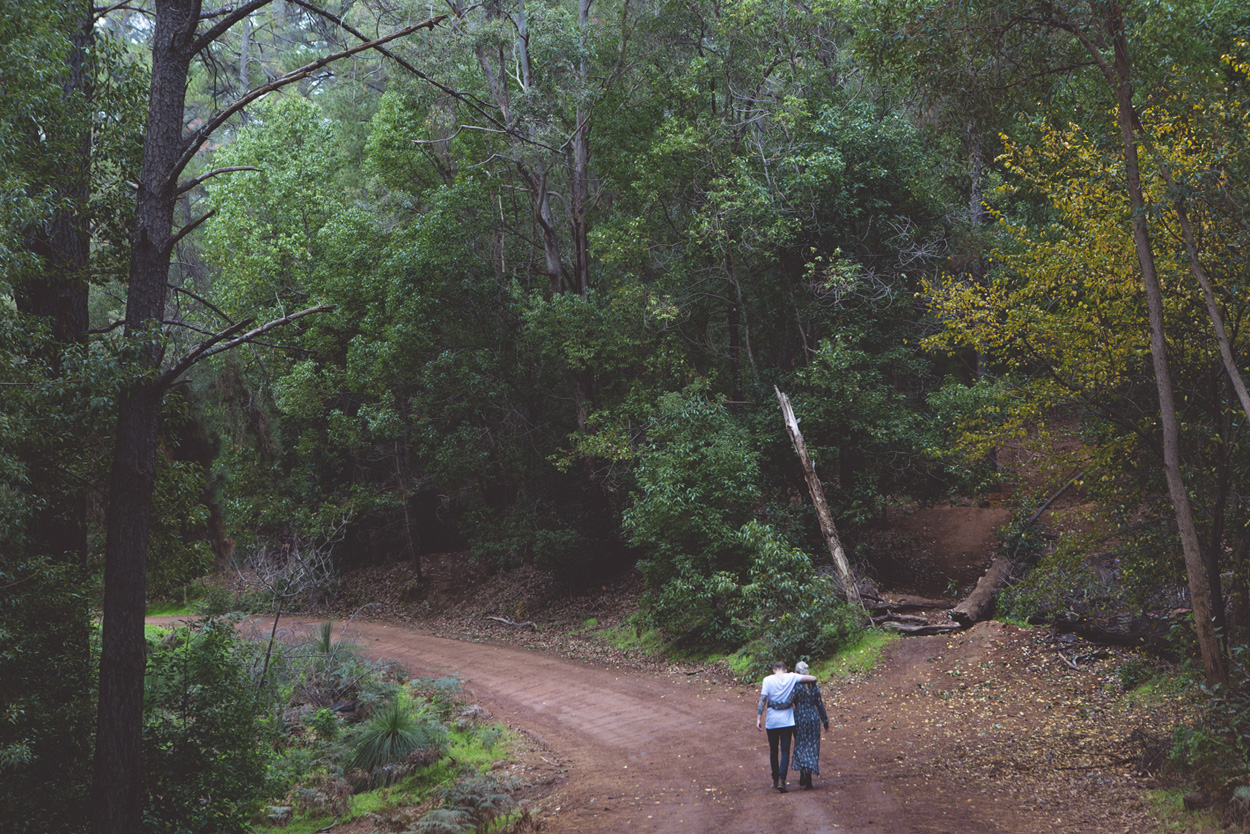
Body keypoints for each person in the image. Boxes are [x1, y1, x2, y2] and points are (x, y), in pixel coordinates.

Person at [756, 660, 816, 792]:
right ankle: (782, 780)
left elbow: (763, 700)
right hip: (787, 721)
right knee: (784, 751)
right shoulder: (791, 677)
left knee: (773, 751)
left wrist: (759, 718)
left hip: (772, 721)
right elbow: (813, 678)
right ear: (785, 670)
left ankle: (775, 779)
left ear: (773, 670)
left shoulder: (767, 680)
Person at [790, 660, 829, 789]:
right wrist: (825, 720)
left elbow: (789, 702)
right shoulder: (815, 687)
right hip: (813, 716)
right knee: (812, 746)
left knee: (800, 744)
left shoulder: (796, 687)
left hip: (799, 716)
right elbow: (820, 704)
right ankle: (809, 774)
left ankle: (802, 770)